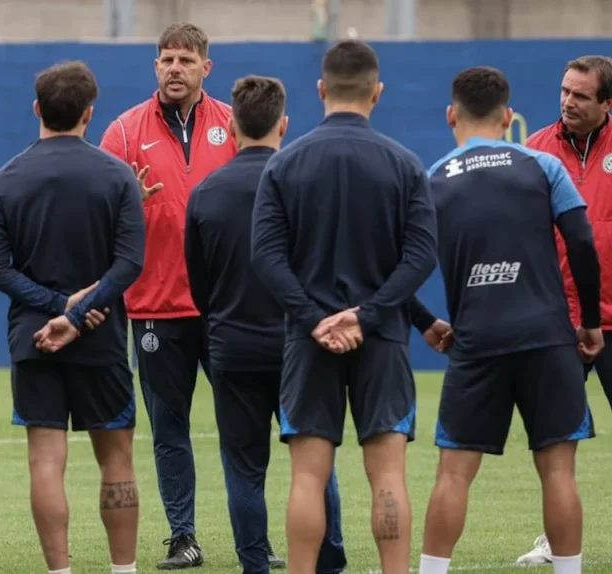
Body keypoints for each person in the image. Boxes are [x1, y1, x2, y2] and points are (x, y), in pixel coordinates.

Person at [250, 39, 438, 574]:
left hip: (308, 343)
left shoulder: (285, 165)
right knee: (388, 477)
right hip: (382, 341)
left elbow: (265, 257)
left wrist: (314, 320)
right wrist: (368, 315)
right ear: (377, 92)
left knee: (308, 476)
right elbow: (422, 256)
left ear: (320, 89)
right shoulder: (404, 165)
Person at [418, 66, 601, 574]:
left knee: (453, 474)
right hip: (548, 336)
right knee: (558, 472)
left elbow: (396, 267)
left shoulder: (433, 178)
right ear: (508, 117)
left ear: (452, 114)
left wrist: (424, 322)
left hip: (476, 342)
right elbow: (582, 244)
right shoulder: (543, 166)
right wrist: (588, 321)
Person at [0, 60, 146, 574]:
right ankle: (124, 570)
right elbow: (130, 263)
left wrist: (55, 308)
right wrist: (80, 312)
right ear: (89, 114)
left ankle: (60, 570)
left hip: (34, 337)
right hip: (100, 338)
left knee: (45, 462)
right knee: (116, 459)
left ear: (37, 109)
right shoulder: (118, 176)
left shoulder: (5, 181)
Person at [182, 75, 347, 574]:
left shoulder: (205, 193)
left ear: (231, 126)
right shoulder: (305, 186)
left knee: (244, 468)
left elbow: (199, 288)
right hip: (300, 347)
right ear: (284, 124)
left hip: (232, 348)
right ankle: (328, 560)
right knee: (315, 465)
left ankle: (254, 564)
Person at [99, 21, 245, 570]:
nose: (174, 69)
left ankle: (252, 535)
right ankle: (183, 536)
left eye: (185, 60)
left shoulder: (233, 126)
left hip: (224, 307)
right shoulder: (123, 131)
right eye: (166, 60)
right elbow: (100, 217)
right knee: (169, 431)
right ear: (155, 65)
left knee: (242, 426)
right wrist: (124, 204)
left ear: (207, 68)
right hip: (156, 308)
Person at [516, 54, 612, 568]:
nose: (568, 102)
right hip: (558, 321)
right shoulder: (535, 151)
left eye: (581, 95)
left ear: (607, 103)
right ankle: (557, 542)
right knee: (555, 442)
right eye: (564, 91)